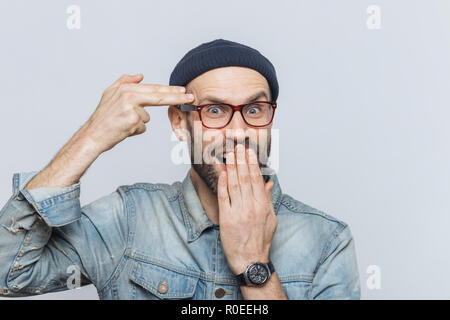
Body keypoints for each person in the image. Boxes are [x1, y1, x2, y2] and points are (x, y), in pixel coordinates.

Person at [0, 39, 360, 300]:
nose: (238, 132)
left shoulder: (327, 241)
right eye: (214, 111)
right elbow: (7, 276)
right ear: (178, 121)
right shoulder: (128, 219)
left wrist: (256, 268)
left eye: (254, 110)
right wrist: (90, 138)